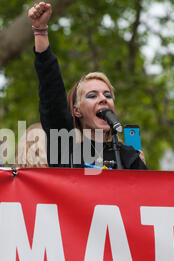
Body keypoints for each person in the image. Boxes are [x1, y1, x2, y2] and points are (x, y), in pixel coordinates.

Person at [28, 2, 147, 170]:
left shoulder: (130, 157)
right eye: (92, 95)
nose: (103, 99)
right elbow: (51, 95)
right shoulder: (66, 150)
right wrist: (40, 31)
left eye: (107, 95)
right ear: (77, 110)